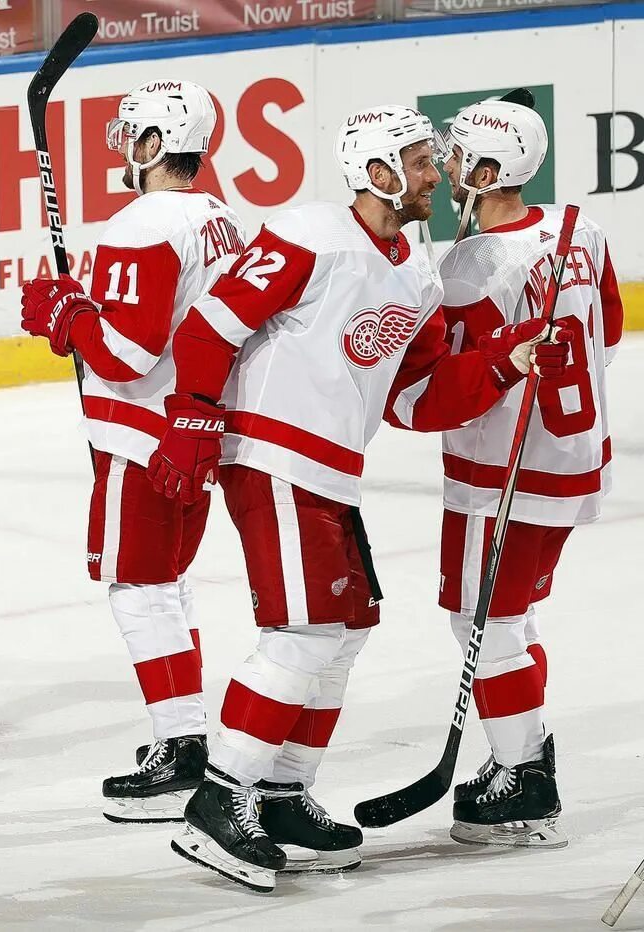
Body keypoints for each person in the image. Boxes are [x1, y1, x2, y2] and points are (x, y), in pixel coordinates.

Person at [148, 105, 567, 891]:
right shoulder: (309, 233)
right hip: (273, 457)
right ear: (376, 173)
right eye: (417, 161)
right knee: (305, 632)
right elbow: (208, 328)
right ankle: (220, 796)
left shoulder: (416, 265)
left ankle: (279, 793)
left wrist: (505, 361)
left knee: (345, 632)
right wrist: (195, 414)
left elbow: (417, 396)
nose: (435, 172)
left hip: (331, 471)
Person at [16, 80, 246, 823]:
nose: (123, 148)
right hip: (193, 432)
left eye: (132, 136)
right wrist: (86, 311)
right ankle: (185, 738)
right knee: (168, 586)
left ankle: (180, 745)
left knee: (138, 588)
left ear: (154, 146)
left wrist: (67, 318)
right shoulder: (221, 219)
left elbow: (124, 353)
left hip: (143, 436)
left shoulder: (142, 221)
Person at [434, 94, 621, 848]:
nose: (447, 169)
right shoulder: (584, 230)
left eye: (457, 157)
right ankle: (525, 747)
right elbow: (605, 333)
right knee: (515, 614)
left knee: (483, 621)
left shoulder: (470, 267)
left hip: (504, 474)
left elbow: (453, 386)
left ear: (488, 169)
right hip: (575, 465)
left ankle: (524, 780)